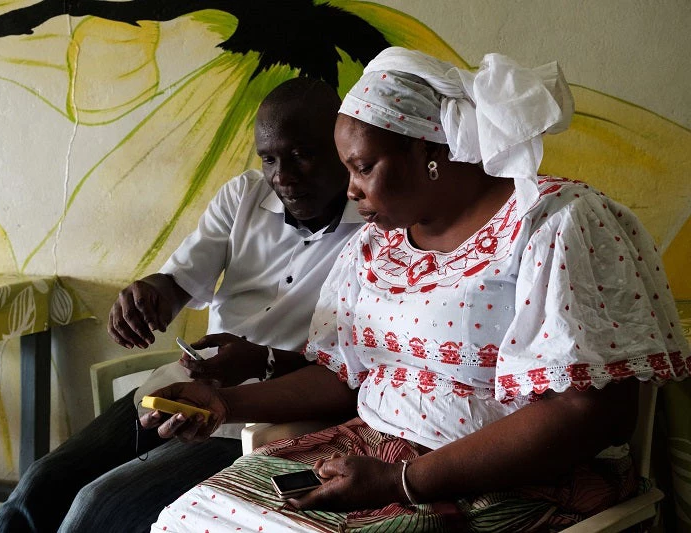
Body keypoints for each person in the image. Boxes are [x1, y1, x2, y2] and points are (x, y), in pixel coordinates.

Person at [150, 47, 690, 532]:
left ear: (430, 151)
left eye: (362, 167)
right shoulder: (375, 246)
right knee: (189, 519)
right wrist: (221, 403)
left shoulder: (556, 223)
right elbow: (342, 376)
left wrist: (404, 482)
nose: (351, 188)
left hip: (520, 479)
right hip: (372, 453)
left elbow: (591, 413)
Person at [0, 77, 364, 533]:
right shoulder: (243, 195)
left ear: (342, 148)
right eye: (269, 158)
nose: (282, 175)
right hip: (189, 384)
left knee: (99, 507)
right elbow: (177, 282)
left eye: (302, 153)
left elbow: (352, 373)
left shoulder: (376, 229)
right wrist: (148, 295)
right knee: (42, 483)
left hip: (270, 415)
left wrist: (259, 361)